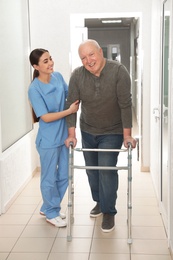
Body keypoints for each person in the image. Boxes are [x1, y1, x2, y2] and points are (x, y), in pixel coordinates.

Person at [65, 39, 136, 233]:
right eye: (83, 57)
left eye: (91, 54)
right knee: (92, 171)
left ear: (100, 53)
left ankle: (109, 212)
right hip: (88, 129)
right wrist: (72, 134)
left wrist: (127, 135)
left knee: (106, 170)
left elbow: (125, 104)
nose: (88, 60)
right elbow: (72, 106)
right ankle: (99, 201)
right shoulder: (78, 76)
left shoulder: (119, 71)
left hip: (112, 131)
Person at [28, 48, 79, 227]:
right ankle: (51, 212)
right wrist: (69, 111)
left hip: (63, 136)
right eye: (45, 61)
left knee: (65, 174)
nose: (50, 63)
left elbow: (69, 97)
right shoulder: (34, 89)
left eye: (50, 59)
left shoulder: (57, 77)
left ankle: (49, 206)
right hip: (48, 140)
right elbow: (45, 117)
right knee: (49, 178)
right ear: (36, 66)